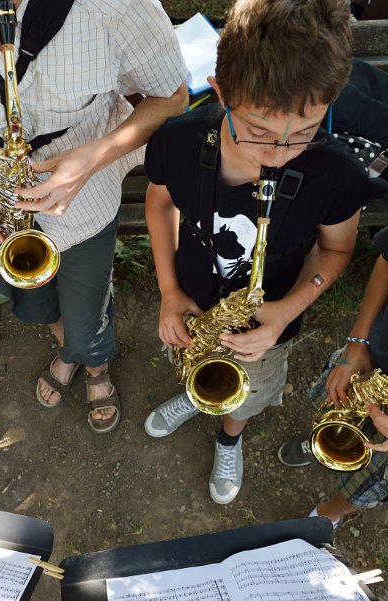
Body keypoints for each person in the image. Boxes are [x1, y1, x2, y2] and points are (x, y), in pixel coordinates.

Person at [0, 0, 189, 433]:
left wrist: (94, 158)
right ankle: (71, 349)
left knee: (88, 301)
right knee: (33, 300)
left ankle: (95, 364)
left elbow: (174, 97)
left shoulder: (117, 6)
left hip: (86, 206)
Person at [142, 0, 386, 504]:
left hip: (267, 332)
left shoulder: (334, 172)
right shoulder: (180, 140)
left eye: (303, 133)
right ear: (221, 92)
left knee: (247, 395)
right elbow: (160, 199)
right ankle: (195, 392)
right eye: (257, 132)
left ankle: (230, 435)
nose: (278, 155)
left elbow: (335, 250)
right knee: (191, 361)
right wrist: (168, 290)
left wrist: (284, 314)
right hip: (192, 303)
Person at [278, 227, 388, 527]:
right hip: (372, 359)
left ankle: (327, 516)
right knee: (331, 404)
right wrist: (358, 343)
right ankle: (323, 439)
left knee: (369, 482)